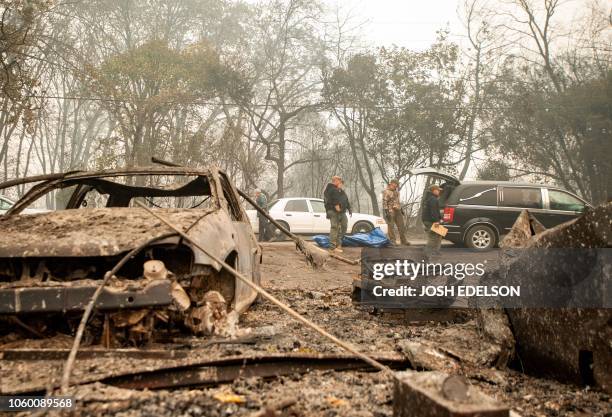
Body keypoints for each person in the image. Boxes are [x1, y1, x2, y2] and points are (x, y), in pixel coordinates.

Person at [323, 176, 352, 253]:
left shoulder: (339, 190)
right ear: (336, 181)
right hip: (334, 211)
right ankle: (332, 247)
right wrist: (338, 209)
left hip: (340, 211)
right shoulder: (332, 189)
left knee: (342, 226)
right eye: (340, 181)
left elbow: (345, 200)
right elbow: (335, 201)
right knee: (335, 227)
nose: (341, 183)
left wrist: (349, 209)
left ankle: (338, 244)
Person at [382, 179, 408, 246]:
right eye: (394, 184)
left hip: (398, 210)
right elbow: (384, 202)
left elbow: (398, 201)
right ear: (391, 183)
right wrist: (386, 212)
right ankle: (393, 241)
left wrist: (401, 209)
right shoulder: (386, 191)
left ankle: (403, 240)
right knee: (391, 227)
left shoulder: (397, 192)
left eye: (396, 184)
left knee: (401, 226)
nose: (395, 185)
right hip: (390, 211)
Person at [422, 184, 443, 258]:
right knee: (433, 236)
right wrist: (436, 221)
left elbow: (436, 211)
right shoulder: (432, 199)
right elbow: (433, 211)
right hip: (430, 221)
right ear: (434, 190)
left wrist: (440, 218)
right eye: (438, 190)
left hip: (430, 220)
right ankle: (427, 253)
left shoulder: (430, 198)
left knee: (440, 234)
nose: (439, 192)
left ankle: (436, 251)